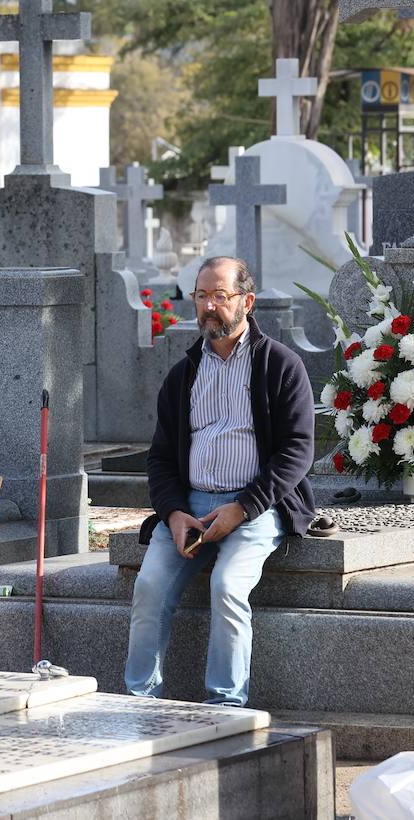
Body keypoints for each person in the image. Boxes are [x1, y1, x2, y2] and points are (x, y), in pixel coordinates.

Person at [124, 256, 316, 707]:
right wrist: (172, 512)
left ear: (247, 302)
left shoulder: (281, 366)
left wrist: (242, 508)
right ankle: (137, 700)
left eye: (221, 296)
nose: (210, 306)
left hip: (257, 507)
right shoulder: (183, 375)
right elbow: (161, 457)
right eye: (202, 296)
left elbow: (297, 451)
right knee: (149, 587)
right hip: (189, 508)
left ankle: (226, 705)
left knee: (227, 586)